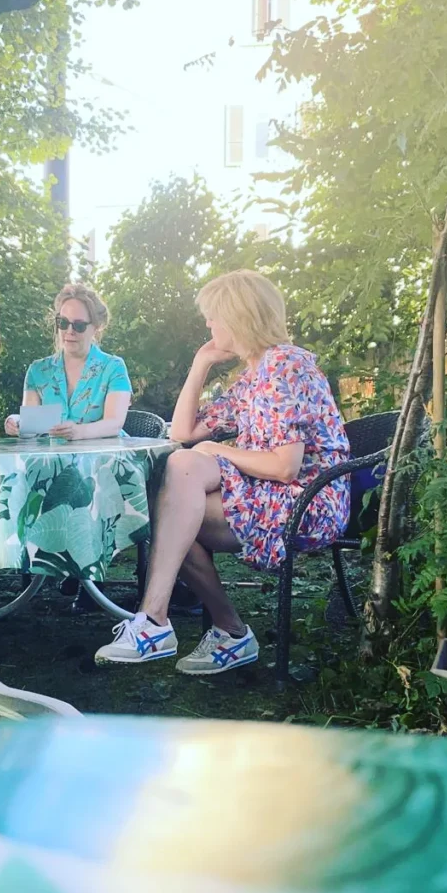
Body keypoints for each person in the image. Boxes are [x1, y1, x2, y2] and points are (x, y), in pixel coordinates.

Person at [94, 269, 350, 675]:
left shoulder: (286, 365)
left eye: (214, 315)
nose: (209, 324)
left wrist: (218, 451)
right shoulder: (253, 376)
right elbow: (182, 433)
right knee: (178, 506)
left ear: (239, 315)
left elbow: (286, 467)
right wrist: (200, 364)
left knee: (182, 481)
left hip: (309, 500)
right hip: (269, 494)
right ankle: (226, 632)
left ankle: (157, 621)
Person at [4, 283, 131, 440]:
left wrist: (78, 432)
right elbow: (32, 428)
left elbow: (114, 424)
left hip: (104, 458)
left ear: (96, 327)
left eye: (79, 325)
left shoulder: (113, 368)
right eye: (63, 323)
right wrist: (17, 422)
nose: (69, 331)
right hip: (52, 461)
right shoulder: (38, 370)